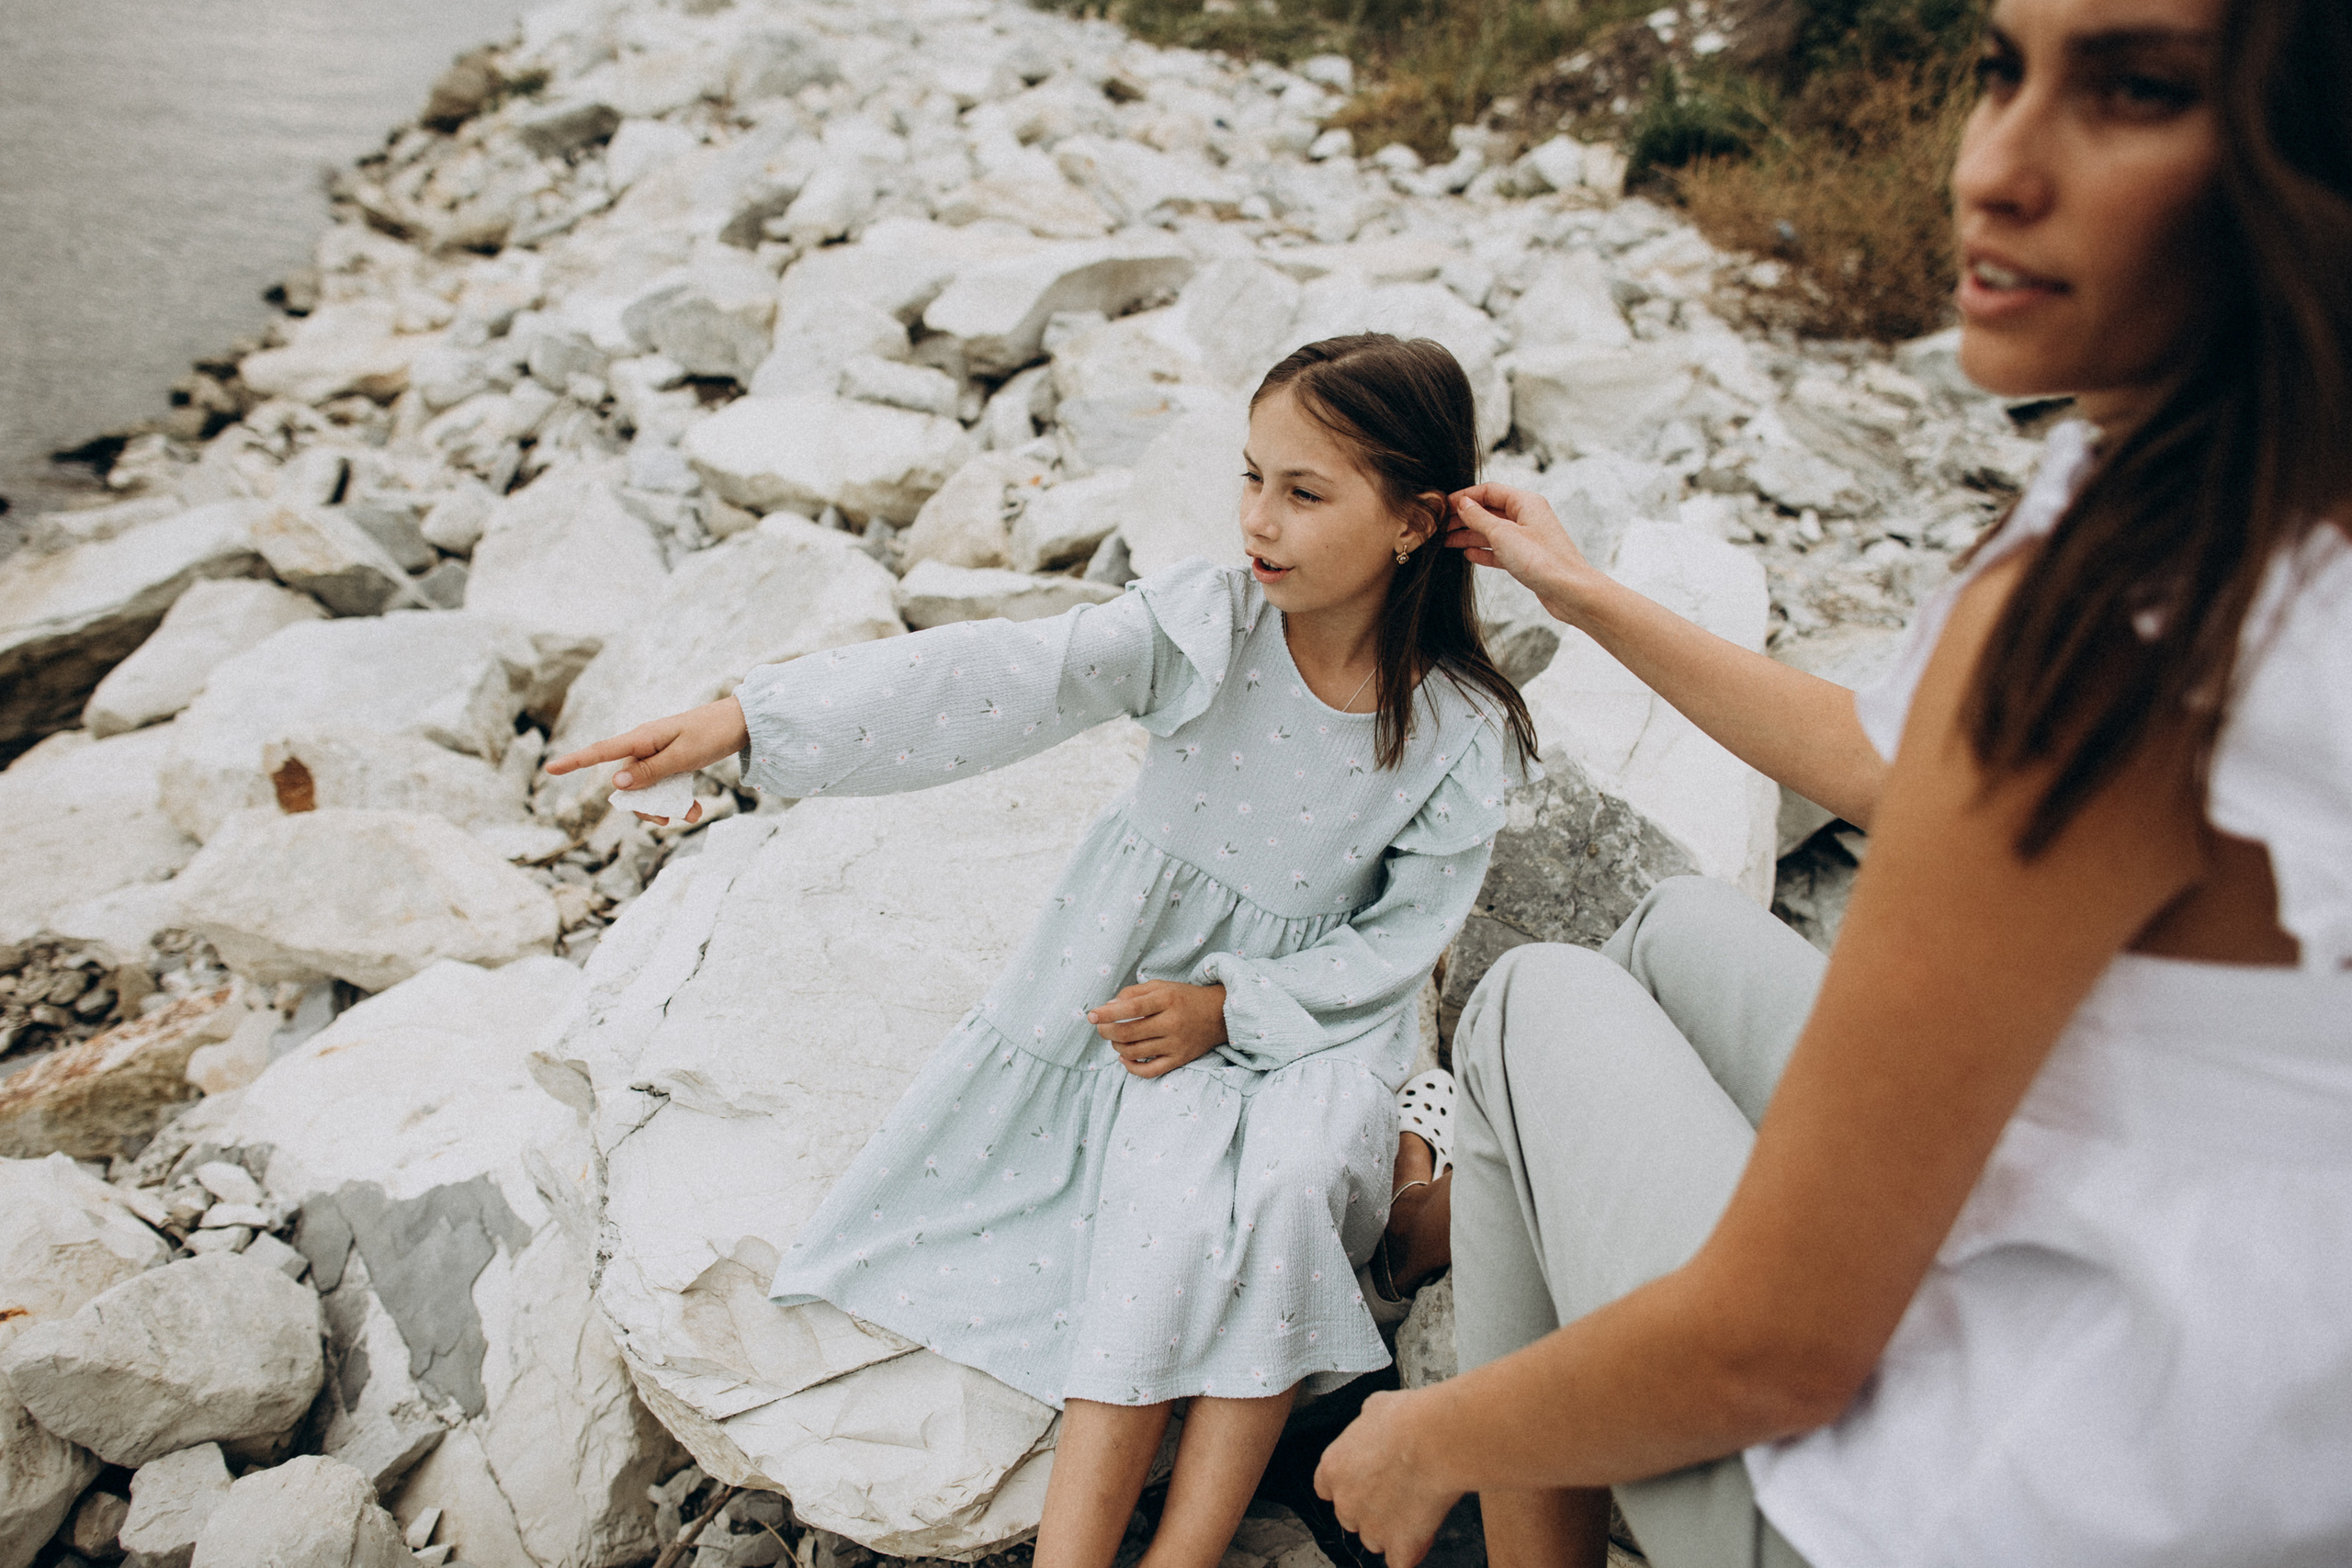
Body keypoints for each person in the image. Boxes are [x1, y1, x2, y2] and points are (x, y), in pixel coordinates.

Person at [1311, 0, 2352, 1563]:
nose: (1996, 167)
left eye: (2135, 92)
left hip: (2010, 1503)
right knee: (1665, 927)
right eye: (2002, 69)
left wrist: (1432, 1434)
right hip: (2244, 1392)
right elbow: (1894, 762)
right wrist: (1584, 593)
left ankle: (1537, 1484)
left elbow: (1781, 1344)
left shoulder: (2120, 615)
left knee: (1531, 1005)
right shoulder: (2255, 492)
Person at [547, 334, 1535, 1568]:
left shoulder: (1455, 729)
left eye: (1305, 491)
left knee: (1282, 1192)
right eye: (1251, 478)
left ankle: (1203, 1524)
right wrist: (752, 719)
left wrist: (1234, 1011)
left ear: (1411, 526)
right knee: (1164, 1209)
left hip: (1308, 1019)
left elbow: (1403, 936)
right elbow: (1001, 677)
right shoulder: (1209, 627)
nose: (1259, 522)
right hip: (1134, 1001)